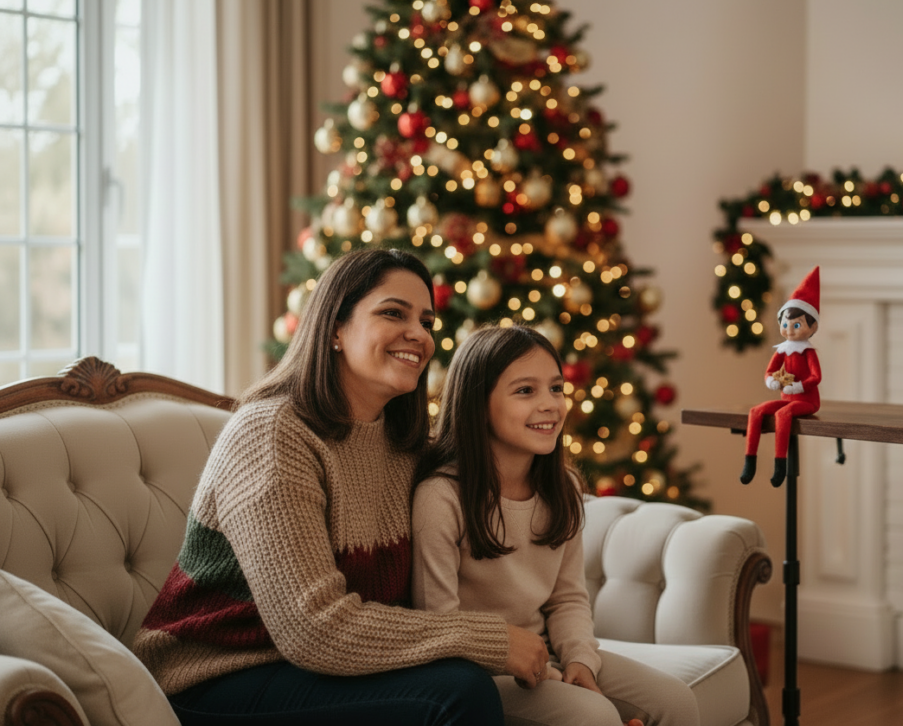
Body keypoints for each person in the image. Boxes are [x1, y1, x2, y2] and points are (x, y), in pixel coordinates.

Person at [132, 249, 550, 726]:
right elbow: (314, 629)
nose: (419, 334)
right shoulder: (271, 435)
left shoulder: (405, 443)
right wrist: (489, 638)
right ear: (334, 328)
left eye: (427, 321)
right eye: (393, 312)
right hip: (210, 680)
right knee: (456, 692)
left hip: (322, 669)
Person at [411, 324, 700, 726]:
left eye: (557, 388)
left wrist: (580, 659)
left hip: (548, 651)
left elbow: (567, 599)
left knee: (676, 701)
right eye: (525, 391)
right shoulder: (439, 498)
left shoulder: (562, 488)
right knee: (594, 716)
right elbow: (441, 626)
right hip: (477, 674)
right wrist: (546, 675)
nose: (550, 404)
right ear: (478, 404)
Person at [739, 265, 822, 487]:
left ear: (812, 326)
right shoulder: (782, 350)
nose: (790, 330)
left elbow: (816, 377)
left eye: (796, 325)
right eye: (785, 324)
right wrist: (771, 380)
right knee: (756, 411)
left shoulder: (808, 351)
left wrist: (798, 387)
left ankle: (780, 465)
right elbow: (769, 370)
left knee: (783, 414)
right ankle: (750, 461)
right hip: (787, 398)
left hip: (807, 401)